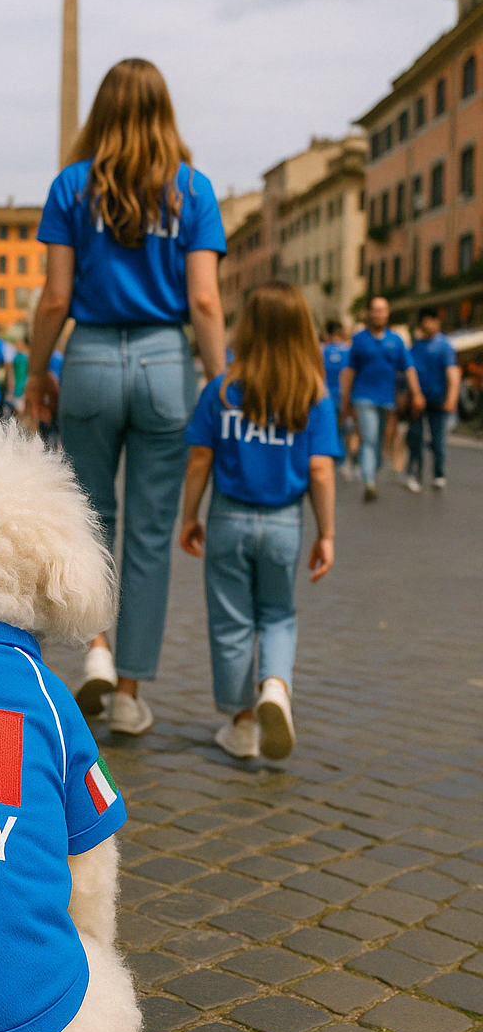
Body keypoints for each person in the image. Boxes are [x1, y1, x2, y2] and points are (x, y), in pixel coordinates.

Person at [24, 57, 226, 737]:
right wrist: (220, 386)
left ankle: (97, 652)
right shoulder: (193, 192)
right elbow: (204, 298)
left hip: (89, 359)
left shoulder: (71, 188)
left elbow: (56, 296)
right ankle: (133, 691)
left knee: (90, 522)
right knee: (146, 536)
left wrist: (35, 373)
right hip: (167, 361)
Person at [179, 282, 340, 760]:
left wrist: (190, 515)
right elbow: (321, 470)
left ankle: (242, 723)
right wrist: (327, 533)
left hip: (228, 516)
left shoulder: (222, 391)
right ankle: (274, 687)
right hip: (284, 523)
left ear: (246, 329)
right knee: (277, 614)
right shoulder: (313, 394)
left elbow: (199, 460)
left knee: (230, 621)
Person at [340, 295, 424, 502]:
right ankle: (369, 482)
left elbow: (409, 368)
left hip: (386, 399)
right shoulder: (359, 340)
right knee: (368, 439)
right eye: (375, 310)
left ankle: (370, 469)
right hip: (363, 397)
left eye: (383, 310)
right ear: (369, 313)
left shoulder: (395, 341)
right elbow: (350, 371)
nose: (379, 314)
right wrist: (345, 400)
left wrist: (417, 393)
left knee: (380, 441)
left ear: (387, 314)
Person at [406, 307, 459, 491]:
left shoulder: (444, 346)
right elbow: (409, 372)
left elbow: (452, 373)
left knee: (438, 439)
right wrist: (413, 395)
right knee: (415, 438)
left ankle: (438, 473)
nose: (430, 325)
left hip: (438, 399)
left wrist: (451, 398)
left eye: (433, 321)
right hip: (418, 400)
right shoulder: (416, 347)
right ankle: (414, 473)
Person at [321, 320, 355, 479]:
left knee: (330, 428)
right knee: (343, 428)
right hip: (343, 395)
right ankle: (342, 459)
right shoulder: (347, 351)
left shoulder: (322, 351)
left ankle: (332, 457)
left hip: (325, 396)